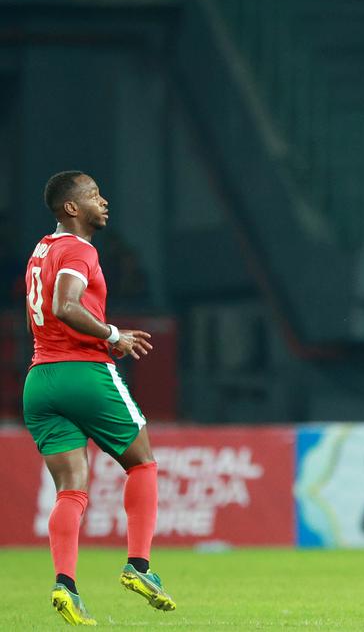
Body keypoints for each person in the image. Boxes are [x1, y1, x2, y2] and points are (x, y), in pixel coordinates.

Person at [23, 171, 175, 625]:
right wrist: (113, 335)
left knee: (71, 488)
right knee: (142, 463)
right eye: (93, 195)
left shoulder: (41, 249)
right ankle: (139, 566)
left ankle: (65, 584)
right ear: (72, 208)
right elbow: (65, 306)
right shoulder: (78, 248)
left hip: (40, 381)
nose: (103, 201)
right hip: (82, 371)